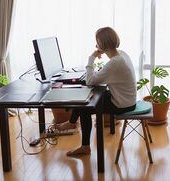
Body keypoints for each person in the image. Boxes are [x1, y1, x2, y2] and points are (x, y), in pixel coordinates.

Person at [56, 27, 137, 156]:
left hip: (122, 104)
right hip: (126, 99)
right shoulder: (121, 54)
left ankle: (84, 146)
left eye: (97, 42)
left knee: (84, 107)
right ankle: (71, 123)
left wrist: (91, 58)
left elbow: (89, 81)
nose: (95, 45)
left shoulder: (115, 63)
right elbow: (99, 77)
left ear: (102, 45)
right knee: (86, 97)